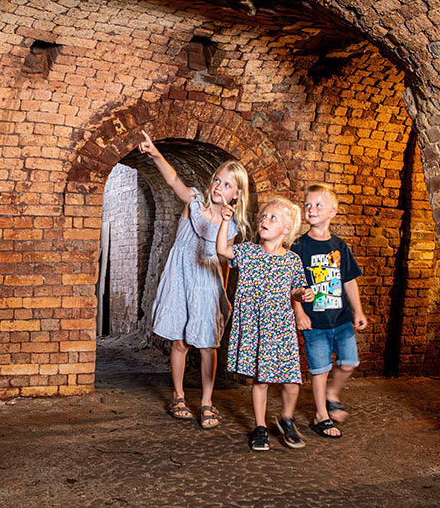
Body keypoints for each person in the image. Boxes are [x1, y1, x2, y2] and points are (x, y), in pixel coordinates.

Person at [140, 130, 250, 429]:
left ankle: (206, 401)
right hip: (181, 276)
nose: (219, 186)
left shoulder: (233, 226)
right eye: (217, 180)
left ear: (236, 194)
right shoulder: (195, 201)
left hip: (207, 285)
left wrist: (224, 292)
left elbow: (225, 261)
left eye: (227, 185)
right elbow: (174, 179)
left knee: (207, 346)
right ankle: (177, 395)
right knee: (180, 341)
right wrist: (154, 154)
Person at [217, 196, 312, 451]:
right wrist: (225, 221)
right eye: (263, 216)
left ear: (286, 229)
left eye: (273, 218)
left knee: (292, 381)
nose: (264, 220)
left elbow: (295, 289)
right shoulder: (248, 252)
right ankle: (260, 427)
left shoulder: (292, 260)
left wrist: (302, 295)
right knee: (261, 380)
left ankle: (286, 419)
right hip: (256, 325)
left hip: (281, 327)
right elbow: (223, 251)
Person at [290, 184, 367, 439]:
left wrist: (358, 311)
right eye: (308, 205)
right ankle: (321, 415)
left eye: (318, 205)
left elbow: (349, 281)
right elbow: (293, 284)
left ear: (333, 212)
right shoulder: (299, 246)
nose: (311, 209)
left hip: (342, 320)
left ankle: (332, 394)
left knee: (349, 362)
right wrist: (299, 312)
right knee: (319, 369)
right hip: (315, 322)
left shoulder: (339, 246)